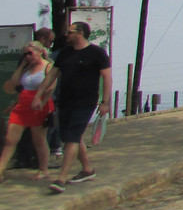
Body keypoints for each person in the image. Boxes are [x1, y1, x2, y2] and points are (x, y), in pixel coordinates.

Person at [32, 21, 111, 193]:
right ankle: (87, 169)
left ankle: (61, 178)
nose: (67, 35)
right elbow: (52, 75)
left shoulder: (97, 53)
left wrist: (105, 102)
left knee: (72, 138)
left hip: (86, 102)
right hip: (66, 101)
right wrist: (39, 95)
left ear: (80, 33)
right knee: (71, 137)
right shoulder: (65, 54)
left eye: (70, 32)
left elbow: (107, 78)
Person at [0, 41, 54, 183]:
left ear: (40, 51)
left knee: (38, 139)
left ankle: (43, 169)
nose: (27, 56)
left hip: (39, 104)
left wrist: (42, 103)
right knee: (10, 140)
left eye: (30, 53)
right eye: (25, 54)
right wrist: (22, 65)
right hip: (22, 105)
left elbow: (50, 88)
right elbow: (15, 83)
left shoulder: (48, 66)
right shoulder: (27, 67)